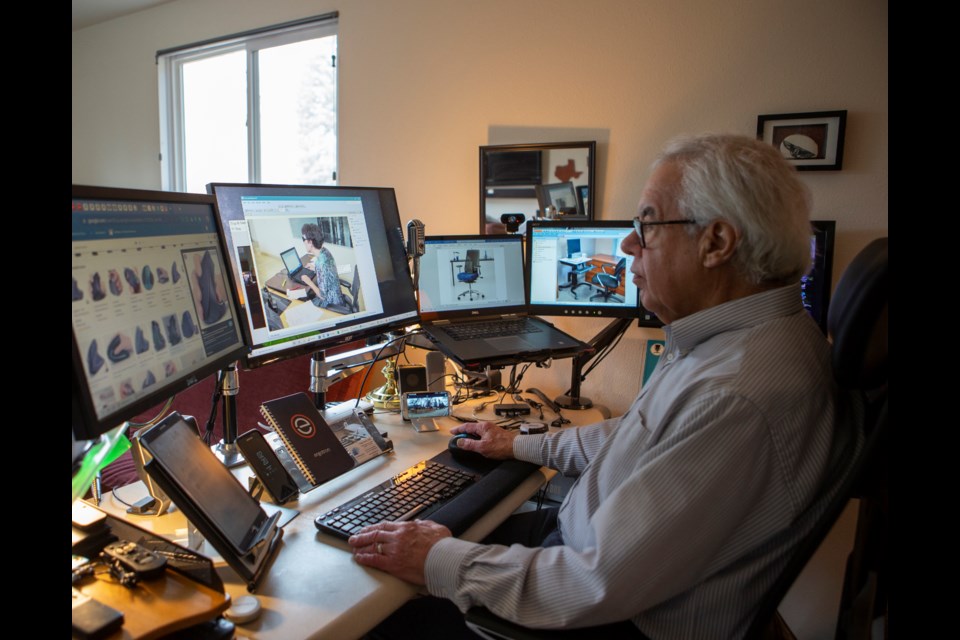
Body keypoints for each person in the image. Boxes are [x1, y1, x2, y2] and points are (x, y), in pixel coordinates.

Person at [346, 133, 862, 639]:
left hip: (607, 615)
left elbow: (590, 585)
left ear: (717, 243)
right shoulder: (728, 343)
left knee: (369, 609)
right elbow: (639, 438)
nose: (628, 243)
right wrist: (522, 444)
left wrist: (436, 559)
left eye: (647, 223)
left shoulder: (735, 392)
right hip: (587, 560)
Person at [299, 223, 348, 309]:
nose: (303, 242)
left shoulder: (321, 264)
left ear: (310, 242)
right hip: (337, 295)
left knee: (304, 303)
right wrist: (315, 268)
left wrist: (309, 282)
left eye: (303, 239)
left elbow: (323, 296)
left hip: (332, 303)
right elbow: (327, 270)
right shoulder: (325, 251)